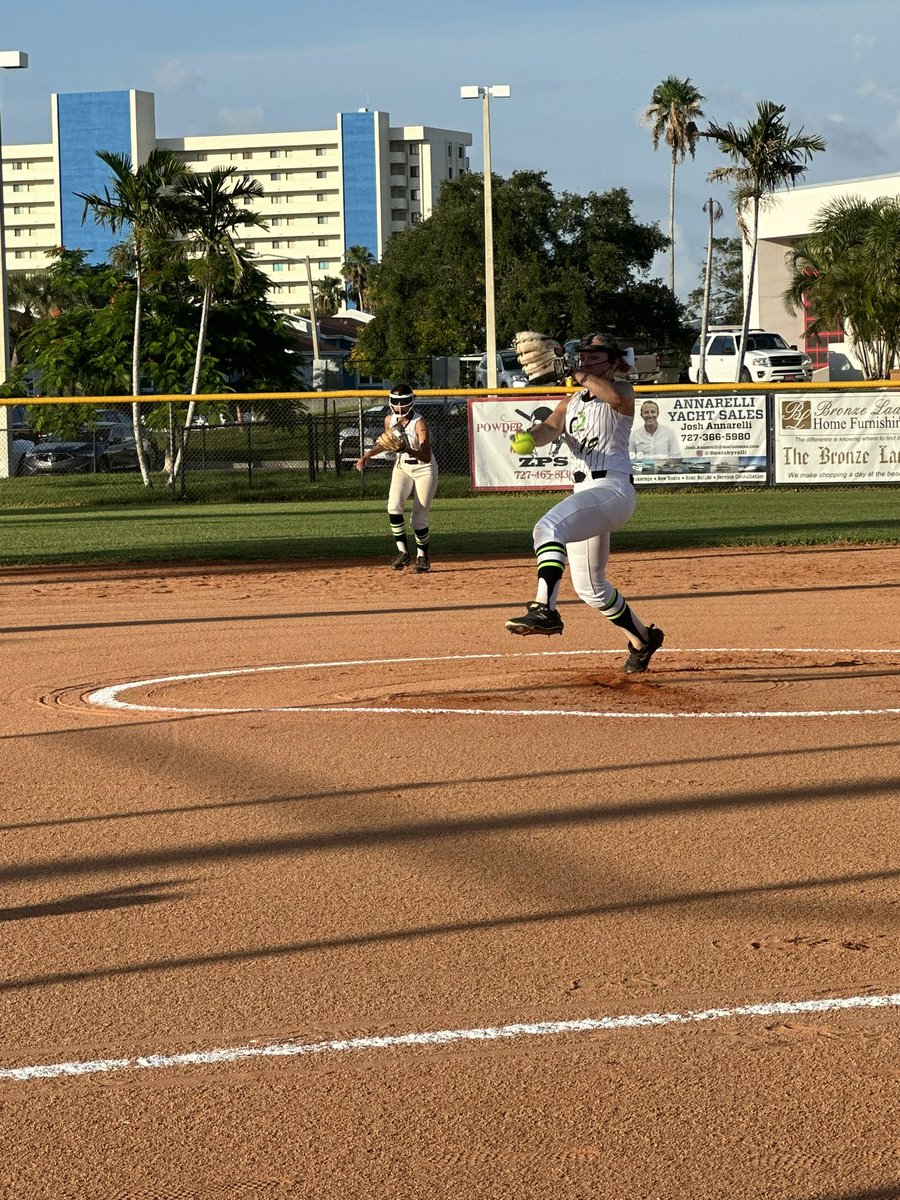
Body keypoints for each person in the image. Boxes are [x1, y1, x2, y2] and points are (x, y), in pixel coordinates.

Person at [504, 334, 665, 674]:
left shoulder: (623, 391)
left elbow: (613, 397)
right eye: (584, 356)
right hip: (585, 493)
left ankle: (544, 608)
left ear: (615, 361)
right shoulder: (571, 402)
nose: (587, 361)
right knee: (591, 587)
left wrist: (578, 373)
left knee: (548, 528)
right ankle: (642, 639)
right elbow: (550, 428)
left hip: (612, 489)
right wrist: (530, 437)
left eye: (595, 356)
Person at [355, 383, 438, 573]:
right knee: (393, 506)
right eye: (396, 401)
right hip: (402, 467)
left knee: (418, 518)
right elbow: (386, 443)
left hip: (424, 469)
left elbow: (426, 456)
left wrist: (407, 449)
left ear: (412, 401)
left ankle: (423, 558)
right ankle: (403, 553)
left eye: (404, 401)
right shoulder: (389, 419)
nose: (399, 406)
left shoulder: (419, 423)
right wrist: (367, 456)